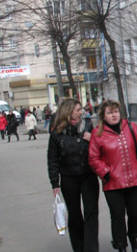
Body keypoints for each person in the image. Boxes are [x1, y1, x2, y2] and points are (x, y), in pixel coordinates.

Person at [89, 100, 137, 252]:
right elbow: (93, 158)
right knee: (117, 217)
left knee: (135, 214)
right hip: (113, 183)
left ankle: (133, 237)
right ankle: (121, 245)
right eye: (109, 113)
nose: (114, 115)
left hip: (135, 180)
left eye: (115, 111)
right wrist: (105, 172)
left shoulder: (131, 127)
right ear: (103, 116)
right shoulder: (97, 134)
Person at [47, 98, 99, 252]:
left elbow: (100, 149)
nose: (80, 112)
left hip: (88, 176)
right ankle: (79, 247)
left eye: (80, 110)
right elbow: (52, 159)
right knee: (75, 215)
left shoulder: (88, 126)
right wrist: (54, 183)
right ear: (68, 112)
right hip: (69, 179)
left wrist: (93, 140)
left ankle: (91, 248)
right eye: (77, 110)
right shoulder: (57, 132)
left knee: (91, 213)